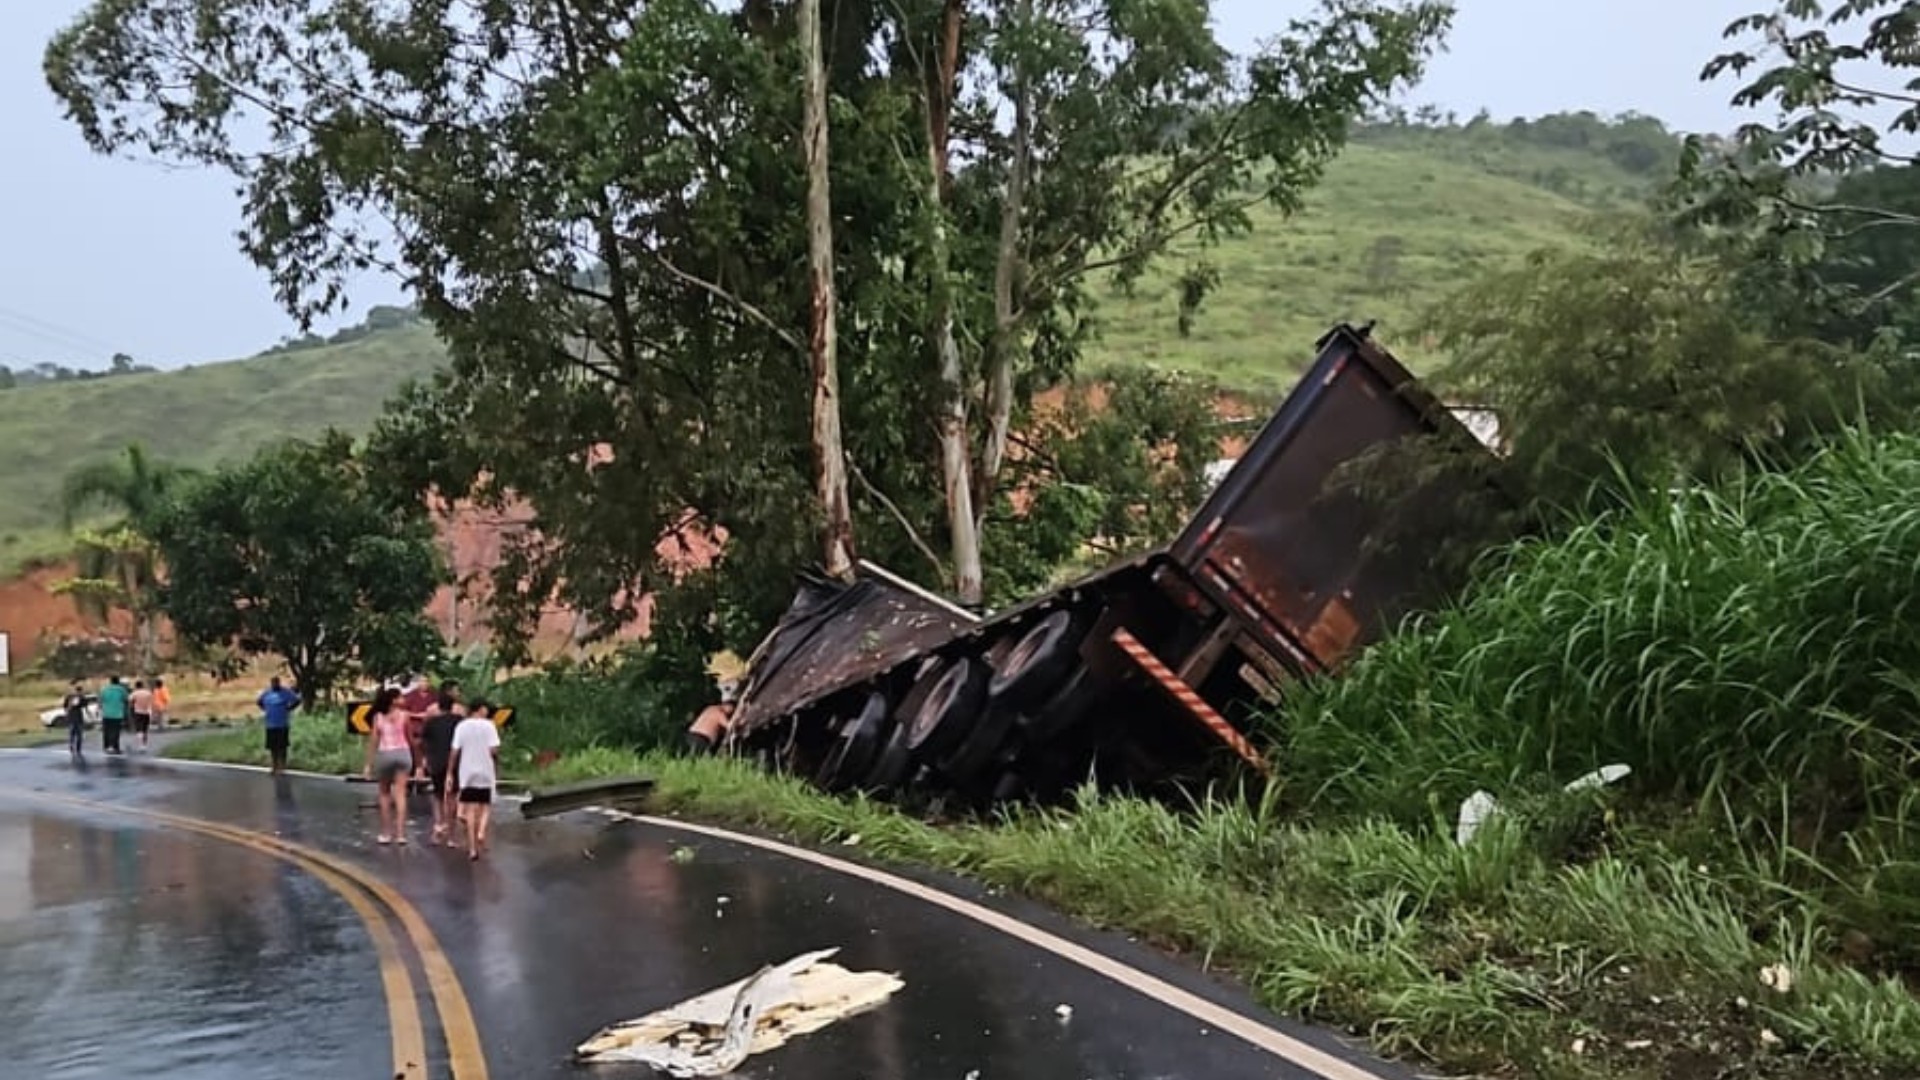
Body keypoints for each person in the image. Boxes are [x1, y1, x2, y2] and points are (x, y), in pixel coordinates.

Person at [447, 700, 502, 861]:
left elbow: (454, 751)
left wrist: (450, 772)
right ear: (479, 709)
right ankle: (481, 832)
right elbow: (494, 750)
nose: (487, 710)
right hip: (485, 770)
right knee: (485, 806)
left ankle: (472, 849)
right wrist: (497, 766)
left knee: (470, 810)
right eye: (485, 708)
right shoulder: (489, 726)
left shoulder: (461, 726)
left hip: (467, 772)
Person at [361, 687, 413, 846]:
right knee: (401, 794)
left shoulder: (378, 717)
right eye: (401, 697)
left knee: (384, 794)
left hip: (385, 754)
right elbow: (410, 739)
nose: (403, 700)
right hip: (403, 754)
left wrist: (368, 764)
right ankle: (401, 834)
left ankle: (385, 833)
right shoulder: (405, 716)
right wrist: (419, 761)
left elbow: (374, 741)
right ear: (393, 700)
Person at [421, 692, 465, 846]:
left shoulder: (431, 722)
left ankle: (439, 824)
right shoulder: (460, 721)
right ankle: (451, 836)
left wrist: (424, 760)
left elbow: (423, 742)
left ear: (438, 706)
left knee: (438, 795)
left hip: (436, 763)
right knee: (452, 796)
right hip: (455, 763)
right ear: (453, 706)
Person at [257, 676, 302, 775]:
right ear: (271, 683)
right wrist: (266, 709)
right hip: (270, 724)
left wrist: (289, 708)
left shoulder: (285, 692)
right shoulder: (267, 693)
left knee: (282, 746)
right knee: (273, 747)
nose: (275, 684)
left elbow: (297, 700)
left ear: (279, 683)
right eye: (273, 683)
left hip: (282, 723)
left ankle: (282, 766)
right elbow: (259, 702)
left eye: (276, 683)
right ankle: (274, 766)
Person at [97, 675, 130, 755]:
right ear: (118, 682)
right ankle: (115, 747)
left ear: (110, 681)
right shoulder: (121, 690)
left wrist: (100, 708)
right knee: (116, 731)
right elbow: (126, 700)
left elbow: (100, 700)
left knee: (106, 731)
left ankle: (106, 746)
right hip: (117, 714)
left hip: (106, 713)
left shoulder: (104, 689)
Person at [62, 681, 90, 757]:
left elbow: (65, 707)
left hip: (74, 717)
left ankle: (74, 747)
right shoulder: (77, 697)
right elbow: (86, 707)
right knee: (77, 734)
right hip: (76, 717)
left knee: (74, 734)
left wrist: (67, 712)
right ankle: (76, 747)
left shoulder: (72, 697)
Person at [129, 680, 155, 750]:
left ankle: (140, 744)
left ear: (136, 686)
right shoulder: (148, 693)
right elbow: (151, 702)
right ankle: (144, 745)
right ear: (142, 685)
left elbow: (130, 701)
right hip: (147, 712)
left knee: (139, 728)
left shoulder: (134, 693)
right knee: (145, 729)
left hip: (138, 712)